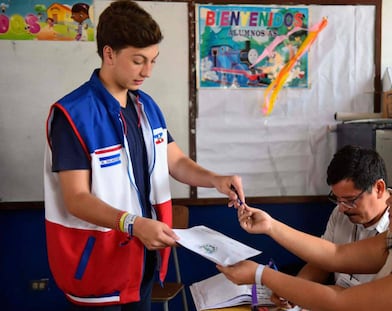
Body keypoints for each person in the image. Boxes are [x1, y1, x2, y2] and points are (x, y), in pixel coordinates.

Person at [43, 1, 244, 310]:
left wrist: (216, 179)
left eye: (153, 60)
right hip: (98, 263)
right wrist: (133, 224)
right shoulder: (73, 115)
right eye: (138, 60)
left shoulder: (145, 106)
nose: (147, 71)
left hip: (142, 261)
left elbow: (175, 161)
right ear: (108, 53)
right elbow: (76, 199)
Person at [217, 155, 392, 311]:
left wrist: (260, 274)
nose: (390, 201)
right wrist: (270, 225)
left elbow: (339, 301)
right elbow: (336, 255)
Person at [297, 144, 391, 288]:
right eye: (337, 199)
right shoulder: (340, 213)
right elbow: (322, 263)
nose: (341, 209)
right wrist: (294, 289)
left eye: (350, 200)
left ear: (378, 188)